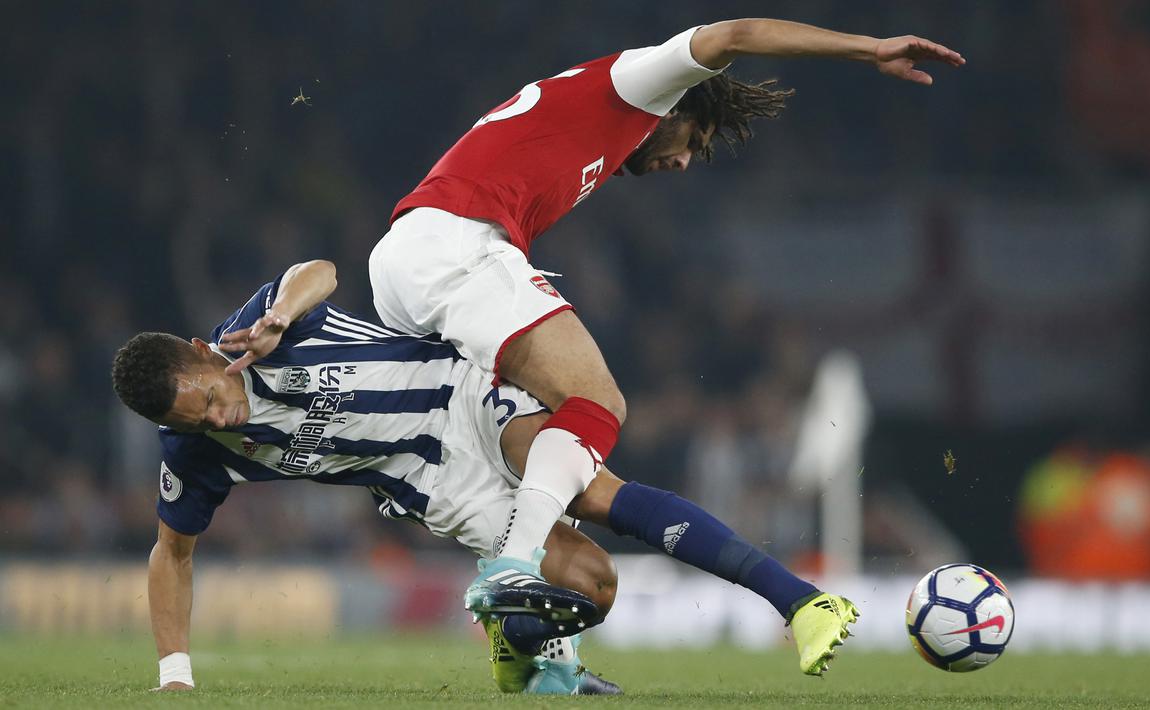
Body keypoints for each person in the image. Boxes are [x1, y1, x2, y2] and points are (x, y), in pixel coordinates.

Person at [367, 18, 963, 656]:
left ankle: (541, 659)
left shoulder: (595, 131)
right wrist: (868, 48)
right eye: (695, 140)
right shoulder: (635, 83)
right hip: (455, 244)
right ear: (676, 104)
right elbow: (737, 32)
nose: (683, 161)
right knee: (598, 404)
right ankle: (511, 570)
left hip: (407, 266)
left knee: (566, 476)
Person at [113, 261, 860, 694]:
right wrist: (174, 674)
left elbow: (320, 271)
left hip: (462, 392)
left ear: (200, 353)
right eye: (198, 422)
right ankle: (518, 636)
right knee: (593, 588)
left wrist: (279, 313)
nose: (220, 417)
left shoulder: (259, 330)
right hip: (432, 485)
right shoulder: (196, 452)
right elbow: (170, 553)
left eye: (210, 397)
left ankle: (798, 603)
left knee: (588, 487)